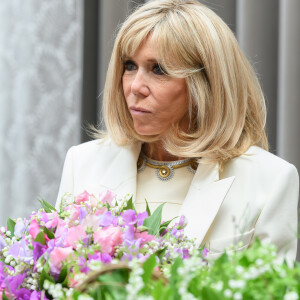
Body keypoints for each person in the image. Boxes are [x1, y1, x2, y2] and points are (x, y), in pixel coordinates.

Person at [56, 0, 299, 262]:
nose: (135, 87)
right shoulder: (82, 163)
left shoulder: (271, 180)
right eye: (129, 66)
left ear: (204, 84)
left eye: (158, 69)